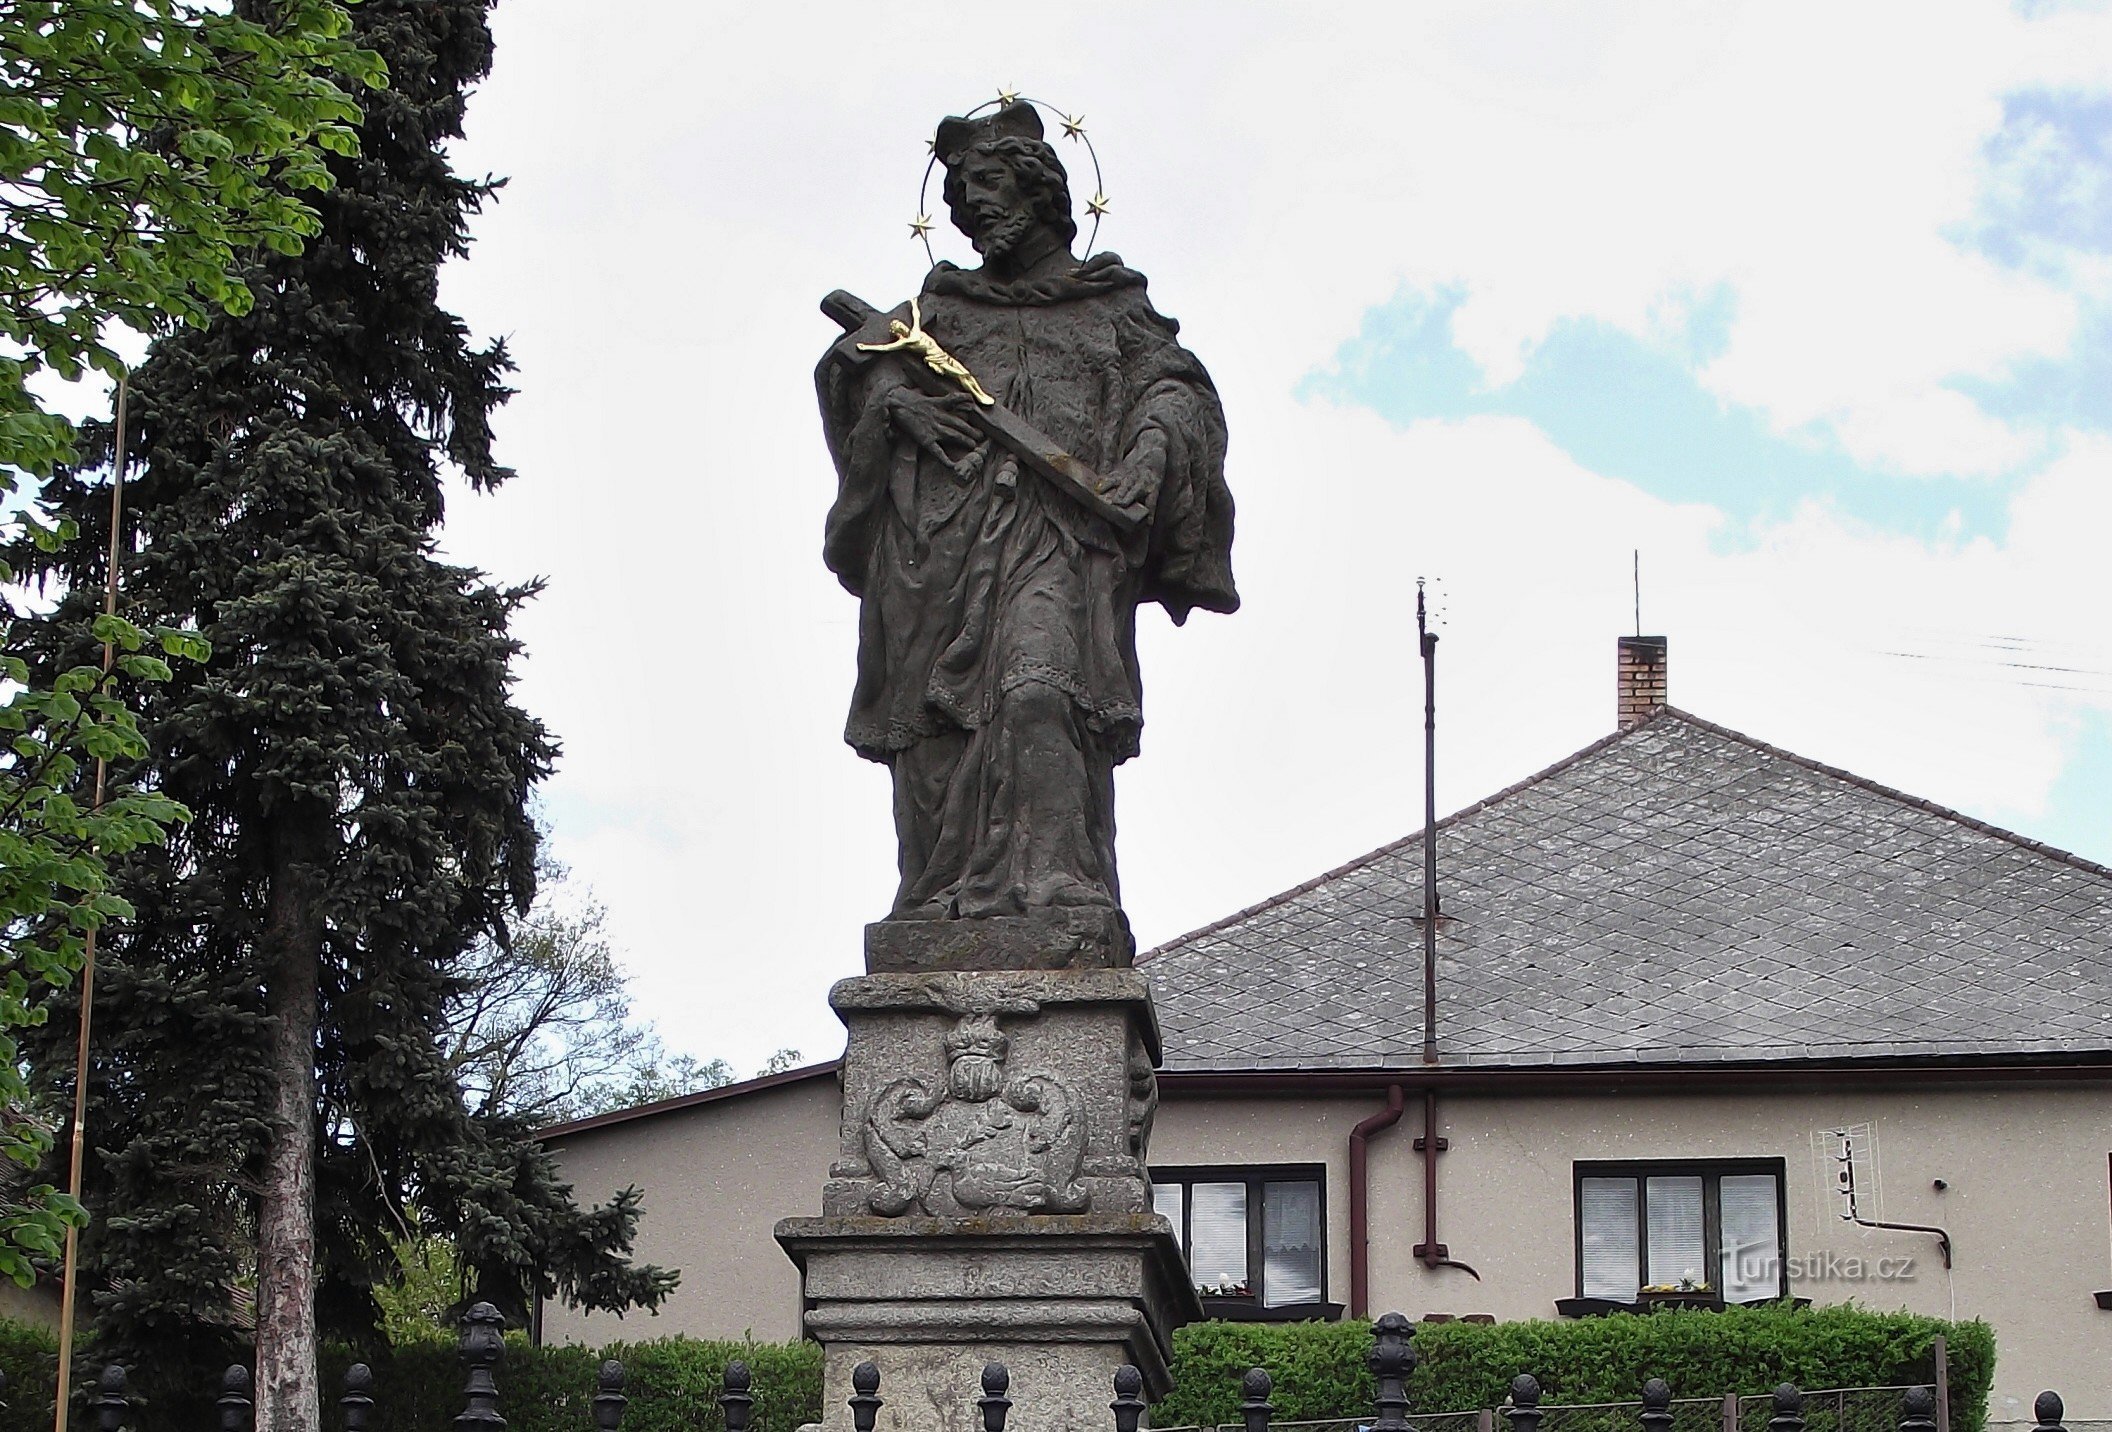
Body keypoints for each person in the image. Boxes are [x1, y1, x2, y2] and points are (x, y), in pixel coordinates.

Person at [816, 101, 1236, 924]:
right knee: (938, 737)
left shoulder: (1112, 306)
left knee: (1038, 690)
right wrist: (895, 404)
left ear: (1040, 188)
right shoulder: (935, 315)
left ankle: (1056, 892)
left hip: (1059, 539)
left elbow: (1180, 393)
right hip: (935, 548)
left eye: (989, 186)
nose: (974, 209)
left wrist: (1149, 453)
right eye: (962, 200)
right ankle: (937, 904)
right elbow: (850, 374)